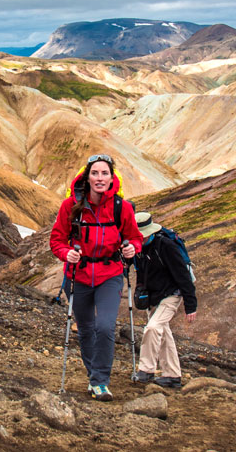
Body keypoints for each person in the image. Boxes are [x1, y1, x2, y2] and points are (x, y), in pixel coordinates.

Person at [50, 154, 142, 401]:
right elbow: (57, 240)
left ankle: (101, 381)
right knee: (87, 329)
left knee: (105, 326)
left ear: (112, 179)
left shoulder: (122, 207)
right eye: (95, 173)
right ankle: (95, 378)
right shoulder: (70, 206)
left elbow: (135, 237)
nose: (100, 178)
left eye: (105, 174)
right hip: (77, 276)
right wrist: (66, 253)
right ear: (87, 177)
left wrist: (133, 248)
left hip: (109, 274)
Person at [131, 212, 197, 388]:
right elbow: (140, 272)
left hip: (172, 294)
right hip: (155, 297)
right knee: (164, 334)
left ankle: (146, 370)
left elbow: (183, 276)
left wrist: (191, 305)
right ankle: (172, 376)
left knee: (152, 328)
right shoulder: (138, 248)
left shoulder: (166, 246)